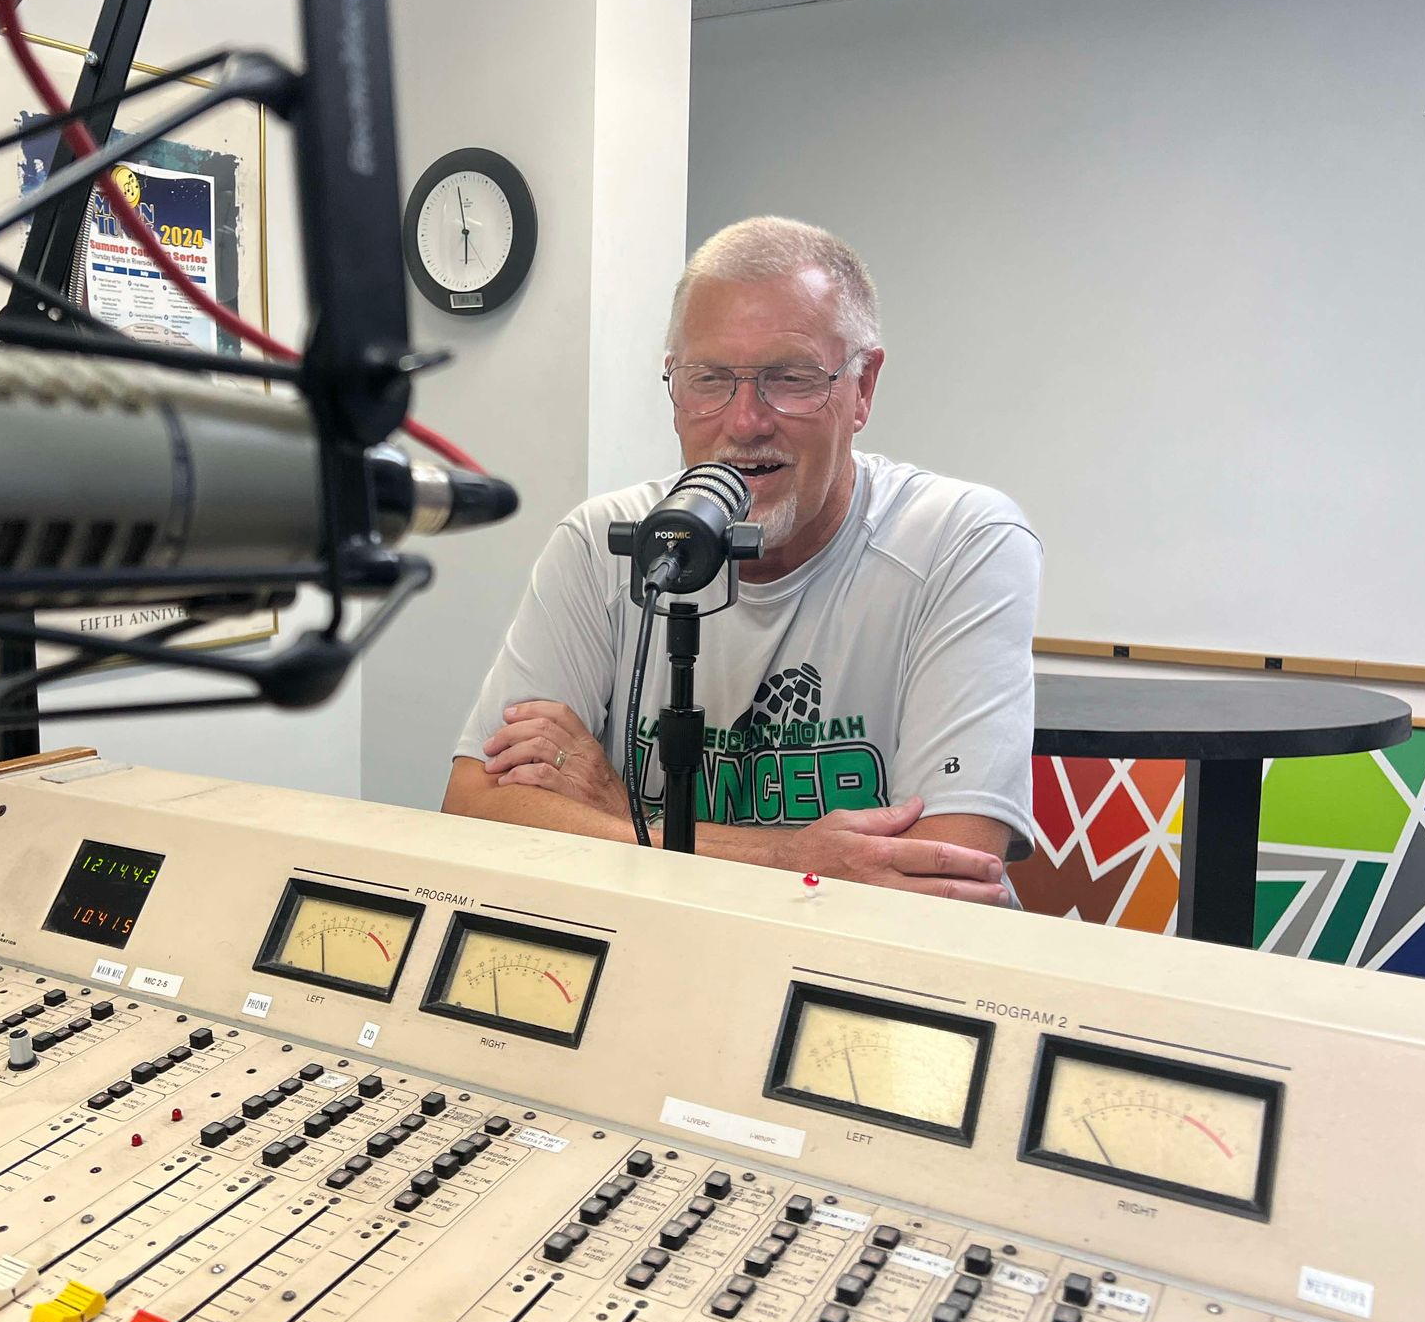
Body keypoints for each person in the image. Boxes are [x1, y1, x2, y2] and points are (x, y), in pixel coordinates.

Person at [442, 217, 1040, 903]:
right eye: (709, 379)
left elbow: (943, 876)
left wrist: (612, 809)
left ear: (863, 389)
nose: (746, 420)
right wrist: (789, 861)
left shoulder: (960, 542)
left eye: (790, 378)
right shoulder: (601, 543)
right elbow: (474, 810)